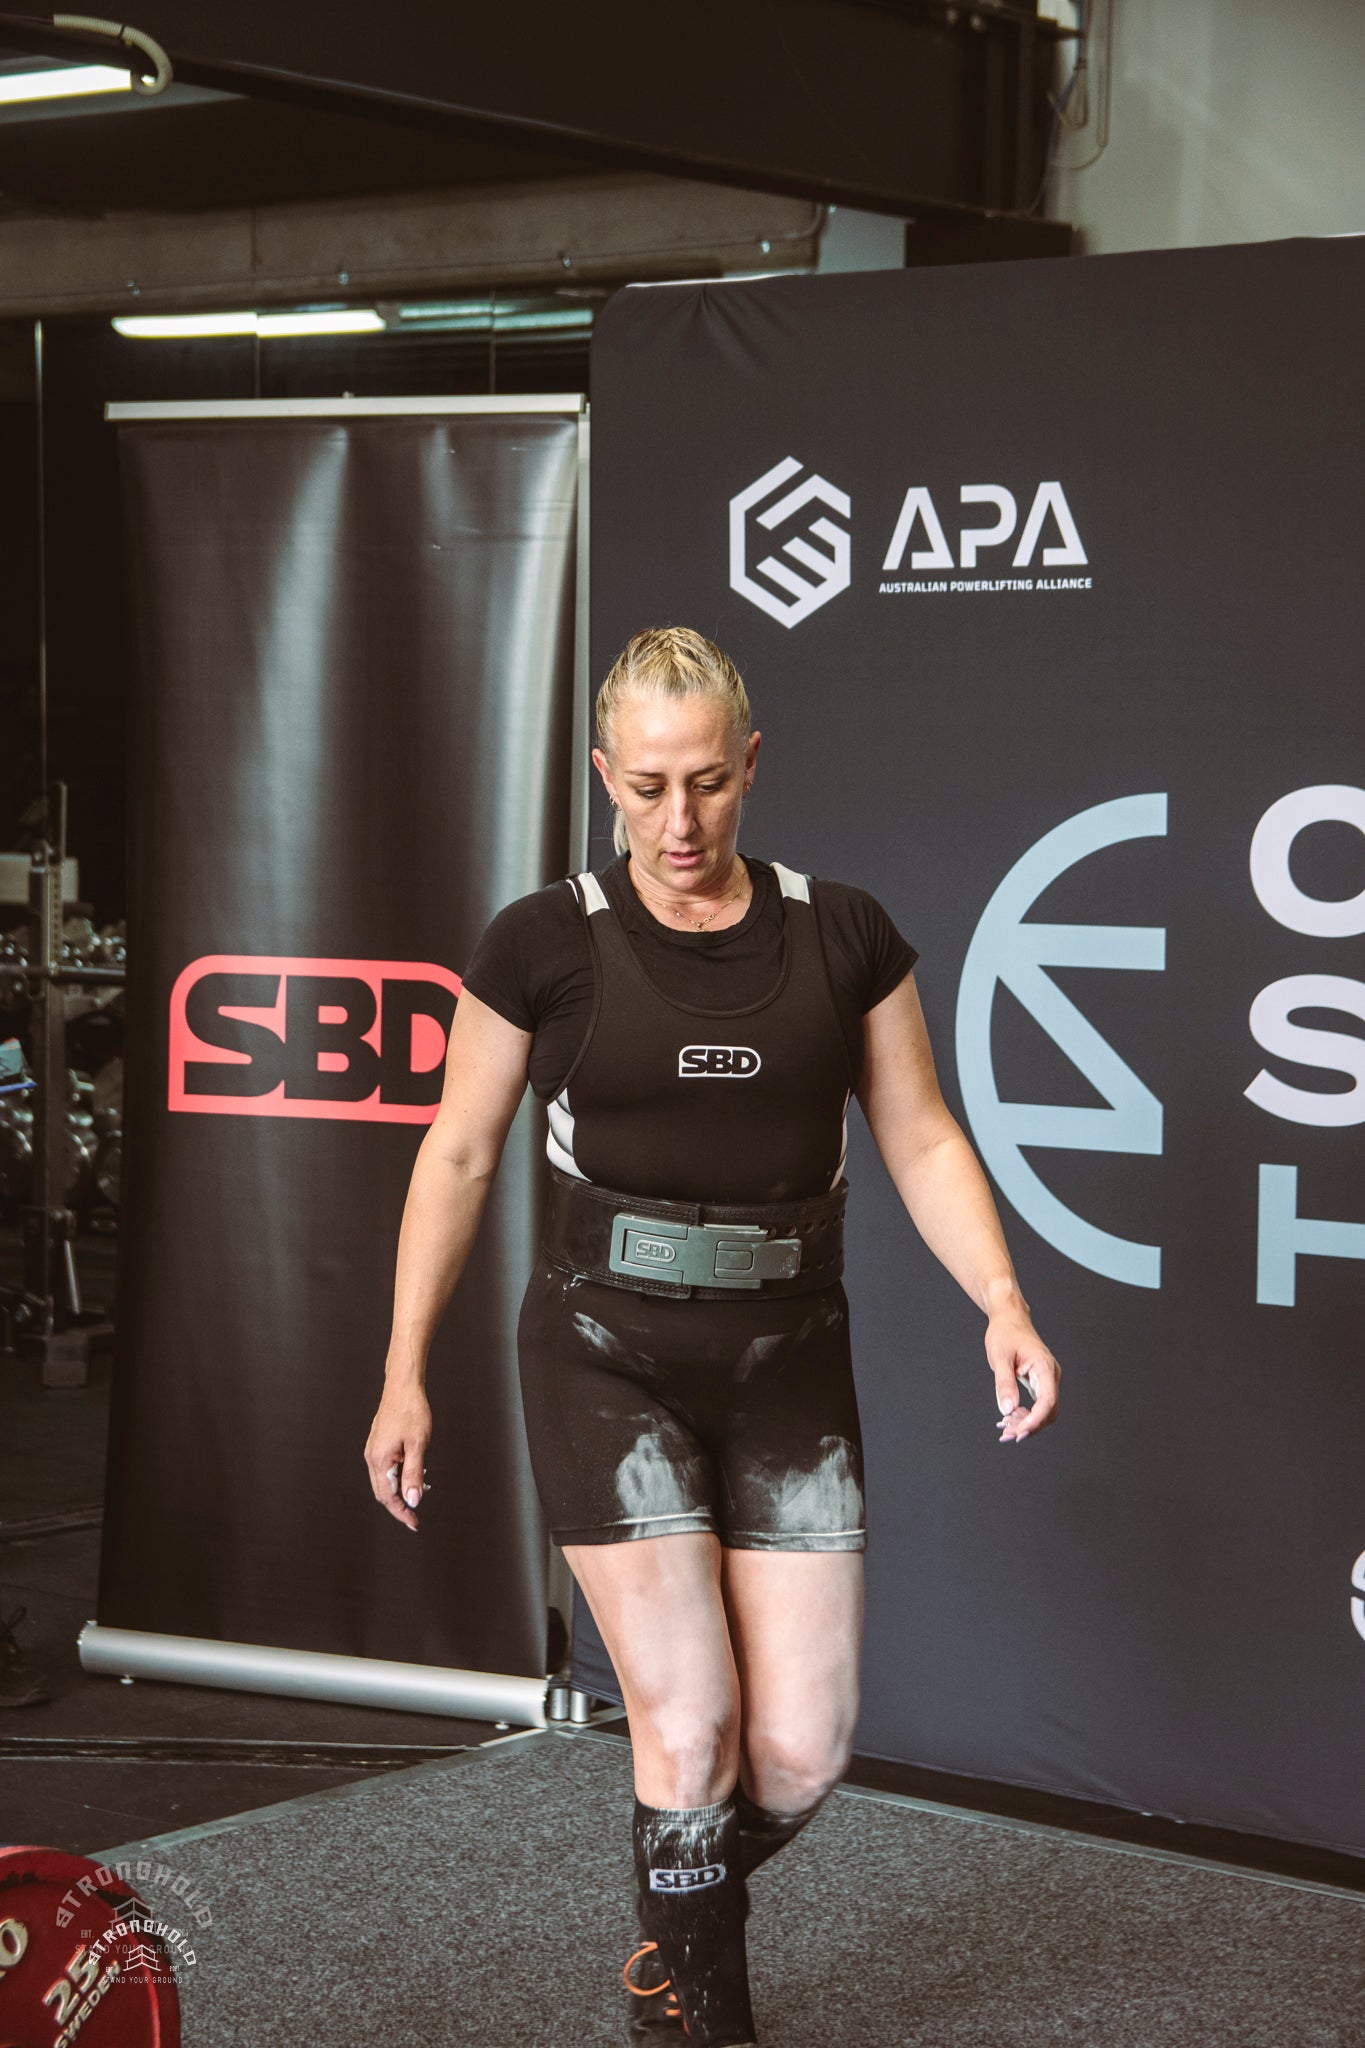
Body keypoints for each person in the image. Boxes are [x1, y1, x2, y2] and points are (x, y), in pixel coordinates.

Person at [364, 627, 1061, 2047]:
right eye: (644, 789)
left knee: (797, 1752)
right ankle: (700, 2012)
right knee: (685, 1727)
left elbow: (922, 1136)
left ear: (751, 764)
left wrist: (1003, 1299)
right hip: (600, 1356)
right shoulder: (540, 942)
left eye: (705, 783)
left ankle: (671, 1918)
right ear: (603, 777)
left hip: (788, 1364)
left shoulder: (843, 933)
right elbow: (457, 1155)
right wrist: (402, 1375)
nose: (677, 822)